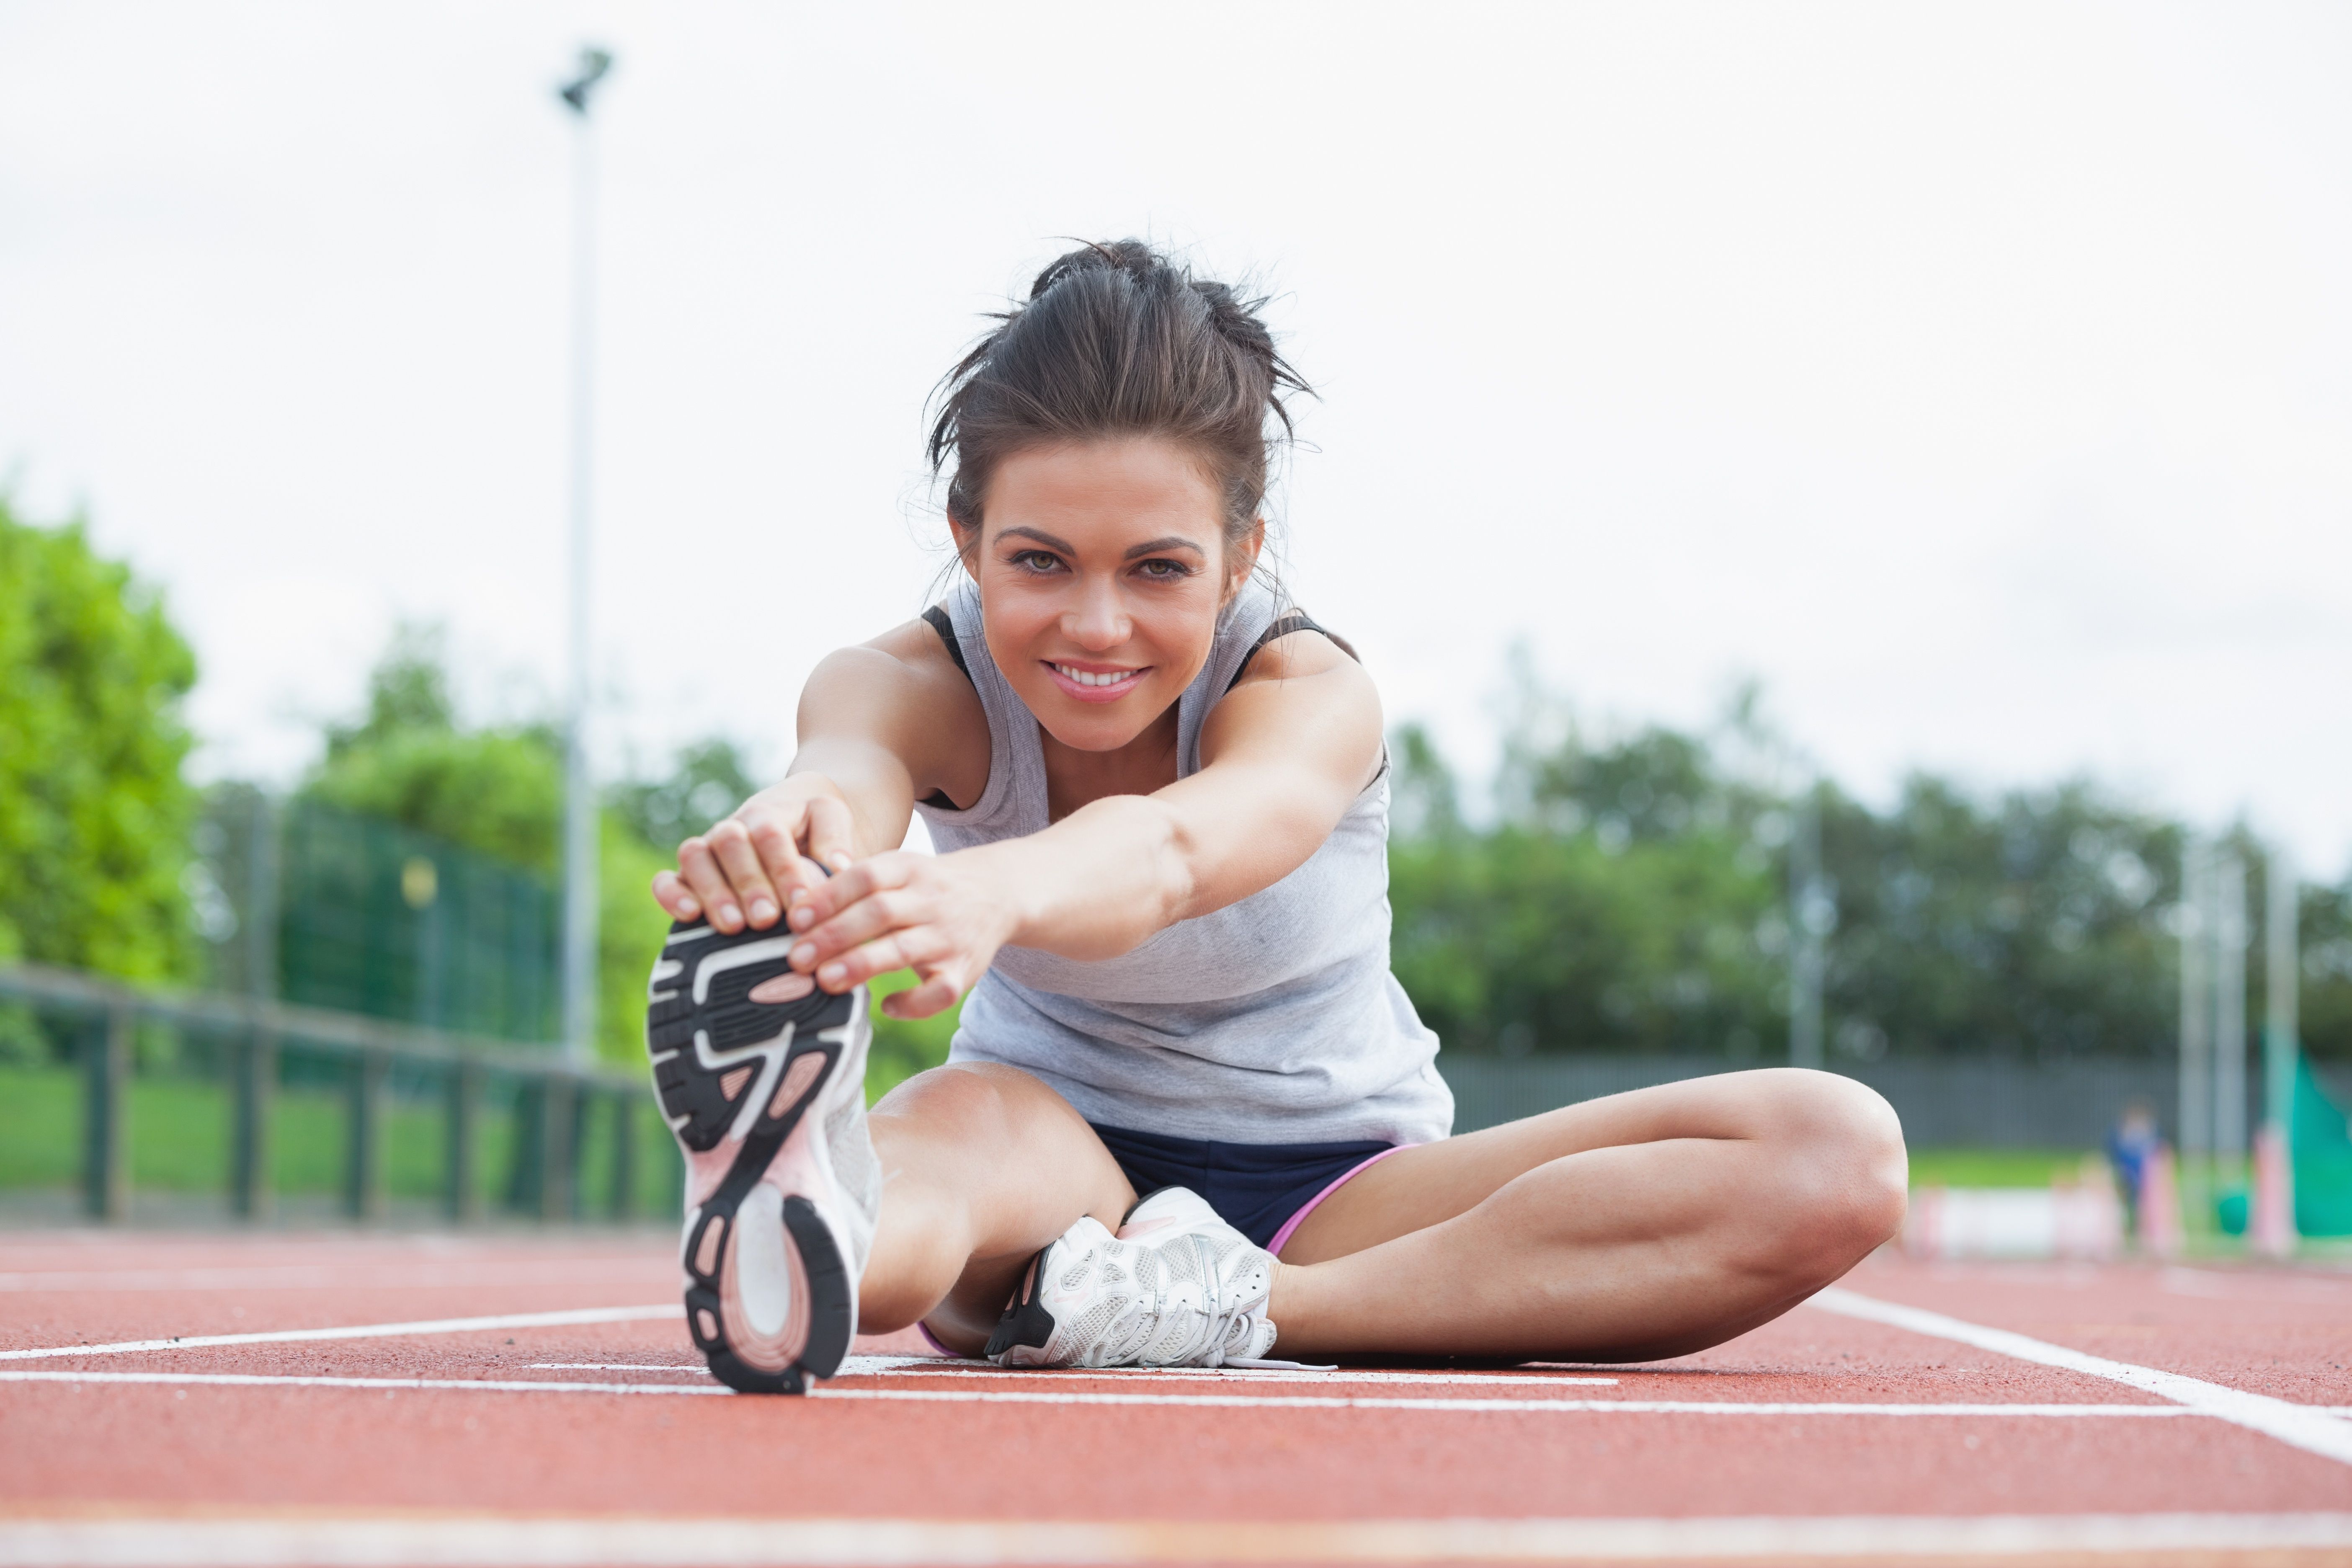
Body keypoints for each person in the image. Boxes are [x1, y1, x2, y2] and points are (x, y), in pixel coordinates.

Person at [644, 240, 1908, 1393]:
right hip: (1050, 1145)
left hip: (1346, 1184)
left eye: (1158, 568)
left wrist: (994, 891)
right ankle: (799, 1218)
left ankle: (1245, 1308)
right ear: (969, 541)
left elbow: (1179, 847)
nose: (1096, 624)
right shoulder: (908, 679)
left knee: (1835, 1152)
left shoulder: (1310, 693)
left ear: (1240, 557)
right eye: (1040, 562)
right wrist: (788, 834)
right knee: (914, 1213)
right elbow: (845, 771)